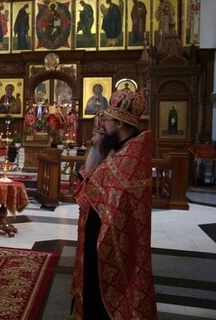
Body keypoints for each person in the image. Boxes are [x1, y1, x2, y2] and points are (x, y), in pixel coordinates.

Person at [71, 89, 156, 319]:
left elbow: (114, 194)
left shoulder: (130, 154)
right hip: (100, 233)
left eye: (107, 120)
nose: (104, 125)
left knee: (107, 292)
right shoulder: (118, 150)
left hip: (113, 238)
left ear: (119, 123)